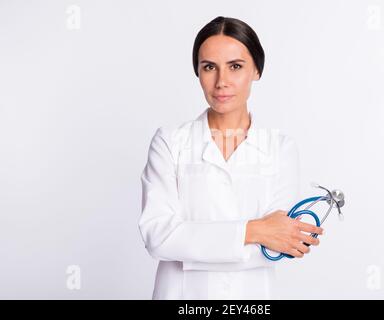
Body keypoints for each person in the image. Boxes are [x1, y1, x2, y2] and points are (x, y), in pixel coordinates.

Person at [138, 16, 323, 300]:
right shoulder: (169, 142)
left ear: (257, 70)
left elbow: (278, 246)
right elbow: (159, 237)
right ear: (198, 73)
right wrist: (254, 230)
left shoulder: (280, 148)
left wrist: (191, 243)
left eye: (235, 66)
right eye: (209, 67)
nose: (221, 81)